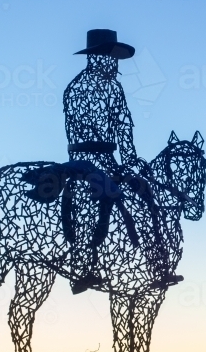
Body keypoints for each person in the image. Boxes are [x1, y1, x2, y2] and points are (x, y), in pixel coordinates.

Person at [63, 29, 164, 294]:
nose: (113, 64)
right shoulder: (76, 88)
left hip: (109, 159)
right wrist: (96, 160)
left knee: (145, 193)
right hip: (84, 160)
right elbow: (78, 131)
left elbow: (123, 125)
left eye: (114, 59)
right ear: (94, 58)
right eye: (109, 57)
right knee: (94, 199)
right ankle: (83, 268)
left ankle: (158, 265)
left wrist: (130, 160)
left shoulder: (114, 87)